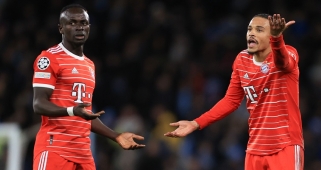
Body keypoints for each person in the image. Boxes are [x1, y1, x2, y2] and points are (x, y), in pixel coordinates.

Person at [165, 13, 304, 170]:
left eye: (259, 30)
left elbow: (283, 63)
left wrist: (278, 40)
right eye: (249, 29)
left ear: (271, 35)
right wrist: (196, 123)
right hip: (255, 149)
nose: (251, 33)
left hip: (285, 146)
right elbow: (231, 101)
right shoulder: (242, 60)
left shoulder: (289, 52)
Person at [32, 4, 145, 170]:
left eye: (84, 23)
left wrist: (116, 136)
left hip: (83, 153)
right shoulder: (49, 58)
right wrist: (71, 111)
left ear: (89, 28)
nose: (79, 27)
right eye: (72, 23)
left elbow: (85, 114)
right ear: (61, 28)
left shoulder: (89, 65)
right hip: (55, 148)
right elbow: (38, 103)